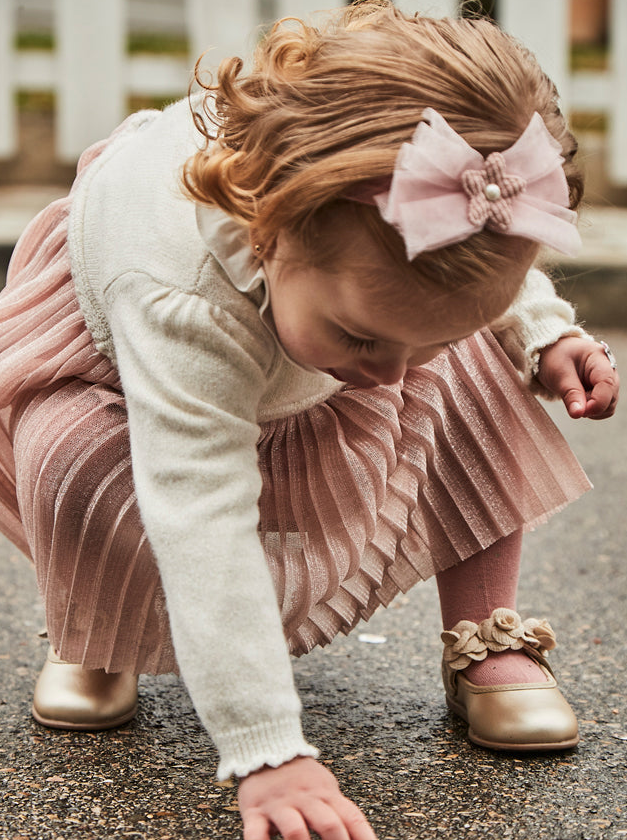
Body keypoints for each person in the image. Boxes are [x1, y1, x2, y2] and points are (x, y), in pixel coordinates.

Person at [0, 3, 619, 839]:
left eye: (416, 339)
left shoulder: (401, 256)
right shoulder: (178, 296)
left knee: (477, 364)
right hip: (128, 372)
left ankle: (486, 633)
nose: (394, 374)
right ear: (270, 228)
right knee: (76, 457)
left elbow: (471, 272)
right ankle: (100, 631)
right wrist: (265, 749)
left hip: (311, 306)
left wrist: (539, 328)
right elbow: (201, 520)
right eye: (364, 336)